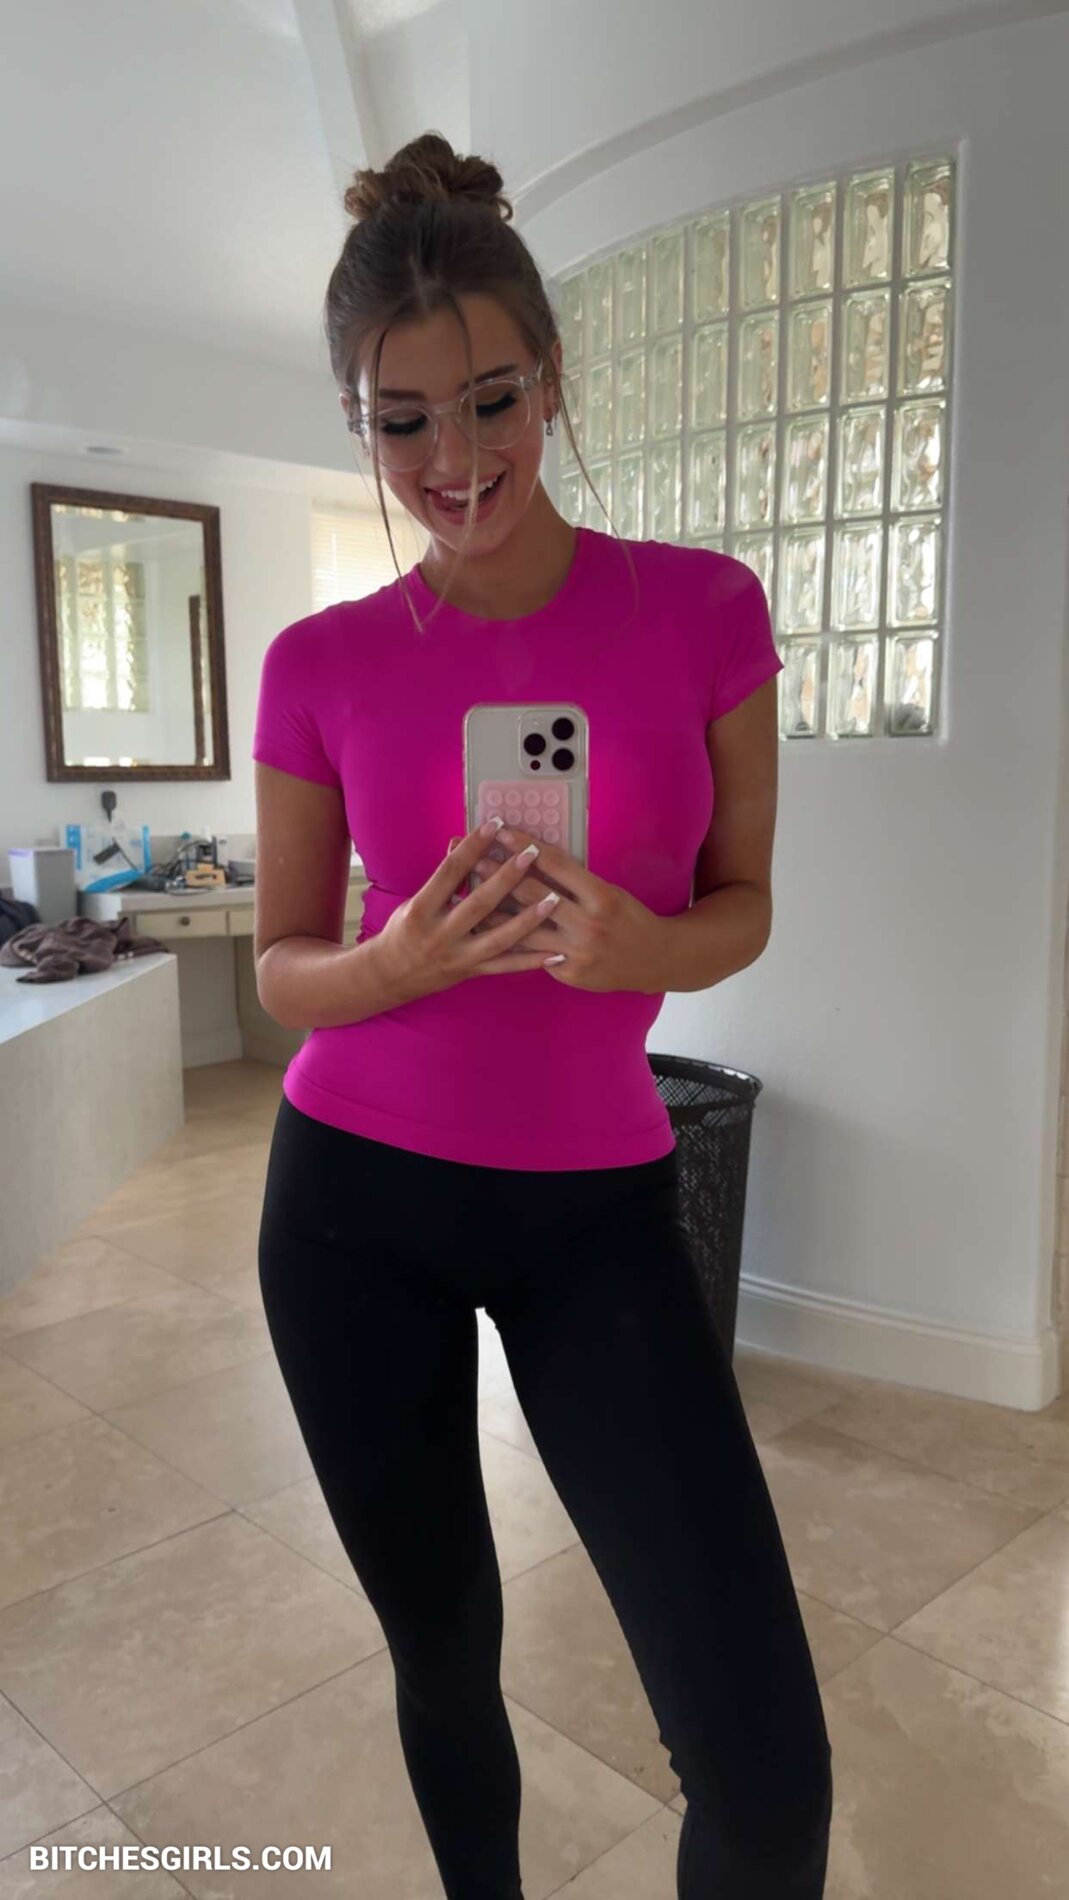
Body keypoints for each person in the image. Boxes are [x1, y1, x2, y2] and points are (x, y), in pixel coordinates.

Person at [252, 129, 833, 1899]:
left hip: (599, 1214)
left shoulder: (705, 612)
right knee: (444, 1657)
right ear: (358, 424)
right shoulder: (320, 664)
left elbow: (741, 908)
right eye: (400, 422)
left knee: (764, 1771)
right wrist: (400, 964)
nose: (453, 460)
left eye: (489, 401)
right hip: (349, 1211)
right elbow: (282, 970)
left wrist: (638, 946)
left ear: (552, 378)